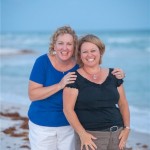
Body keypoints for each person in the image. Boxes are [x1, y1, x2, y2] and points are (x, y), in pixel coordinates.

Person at [28, 26, 125, 150]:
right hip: (42, 126)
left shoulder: (79, 64)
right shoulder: (42, 62)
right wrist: (60, 85)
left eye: (69, 44)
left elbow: (96, 71)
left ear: (74, 47)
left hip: (70, 126)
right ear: (54, 45)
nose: (64, 48)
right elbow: (32, 94)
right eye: (60, 43)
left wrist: (119, 74)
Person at [63, 34, 130, 150]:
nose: (89, 55)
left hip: (117, 135)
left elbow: (123, 103)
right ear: (80, 54)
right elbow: (68, 109)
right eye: (85, 52)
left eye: (93, 50)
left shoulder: (114, 75)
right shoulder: (74, 78)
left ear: (100, 52)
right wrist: (82, 134)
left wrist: (127, 128)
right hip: (91, 138)